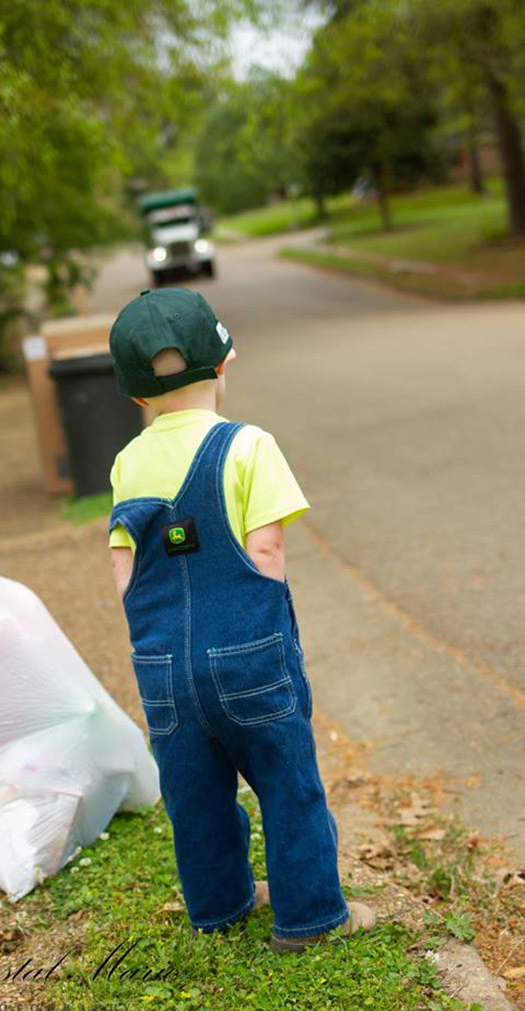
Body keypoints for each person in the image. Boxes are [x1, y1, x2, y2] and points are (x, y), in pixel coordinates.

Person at [107, 287, 375, 952]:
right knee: (287, 782)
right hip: (247, 652)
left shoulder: (127, 463)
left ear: (135, 395)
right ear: (223, 365)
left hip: (164, 665)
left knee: (194, 795)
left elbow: (125, 568)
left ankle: (219, 907)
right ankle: (312, 916)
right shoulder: (249, 446)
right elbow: (266, 549)